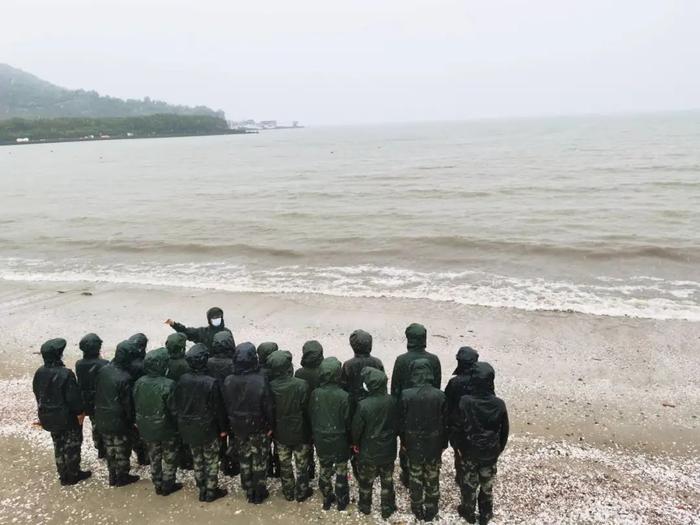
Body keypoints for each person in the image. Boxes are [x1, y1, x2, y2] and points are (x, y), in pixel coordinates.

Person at [454, 362, 509, 525]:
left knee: (469, 484)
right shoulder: (499, 404)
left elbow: (458, 427)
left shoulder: (465, 401)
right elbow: (504, 431)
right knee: (487, 485)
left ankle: (468, 512)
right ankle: (485, 514)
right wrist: (498, 449)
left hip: (470, 450)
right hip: (490, 450)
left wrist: (459, 448)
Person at [32, 338, 91, 485]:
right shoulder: (65, 373)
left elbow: (37, 392)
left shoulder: (39, 372)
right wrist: (80, 413)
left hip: (49, 416)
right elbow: (73, 397)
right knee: (72, 445)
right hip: (67, 417)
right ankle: (72, 474)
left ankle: (62, 472)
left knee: (58, 444)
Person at [221, 342, 274, 504]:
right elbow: (268, 406)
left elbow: (226, 404)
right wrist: (271, 426)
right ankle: (260, 491)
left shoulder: (229, 380)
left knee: (244, 458)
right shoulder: (260, 380)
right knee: (259, 459)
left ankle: (249, 489)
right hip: (258, 427)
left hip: (238, 427)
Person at [175, 343, 229, 502]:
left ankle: (202, 489)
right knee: (211, 460)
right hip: (207, 427)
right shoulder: (211, 382)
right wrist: (223, 429)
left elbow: (178, 404)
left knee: (197, 459)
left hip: (190, 427)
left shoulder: (183, 379)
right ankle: (211, 490)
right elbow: (218, 409)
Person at [391, 323, 442, 486]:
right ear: (424, 339)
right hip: (429, 405)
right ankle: (429, 472)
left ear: (409, 339)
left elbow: (395, 389)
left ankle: (408, 475)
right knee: (430, 438)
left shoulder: (401, 360)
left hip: (407, 408)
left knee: (407, 441)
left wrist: (397, 412)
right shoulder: (433, 360)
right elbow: (437, 385)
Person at [399, 359, 448, 521]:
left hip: (413, 442)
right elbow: (445, 422)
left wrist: (404, 442)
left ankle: (417, 506)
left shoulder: (406, 394)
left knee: (415, 476)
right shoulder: (439, 395)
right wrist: (443, 443)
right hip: (434, 442)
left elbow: (402, 422)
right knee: (432, 476)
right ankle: (431, 507)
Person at [133, 347, 182, 496]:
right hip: (166, 428)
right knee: (169, 456)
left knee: (154, 455)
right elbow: (174, 409)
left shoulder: (139, 382)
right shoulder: (169, 384)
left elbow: (136, 402)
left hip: (147, 427)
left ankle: (157, 482)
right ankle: (168, 483)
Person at [351, 367, 398, 520]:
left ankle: (365, 506)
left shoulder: (364, 405)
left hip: (369, 449)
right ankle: (387, 507)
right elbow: (397, 424)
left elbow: (357, 428)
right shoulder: (392, 400)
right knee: (387, 480)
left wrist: (355, 443)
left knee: (365, 481)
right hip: (388, 448)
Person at [268, 350, 313, 502]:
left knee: (285, 464)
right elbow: (307, 410)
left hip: (281, 433)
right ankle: (302, 492)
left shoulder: (271, 386)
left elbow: (270, 411)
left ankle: (288, 492)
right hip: (300, 431)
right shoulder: (301, 385)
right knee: (302, 464)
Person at [94, 340, 140, 486]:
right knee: (121, 448)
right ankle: (122, 476)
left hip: (102, 414)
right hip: (118, 417)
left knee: (109, 447)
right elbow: (127, 403)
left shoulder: (103, 370)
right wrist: (132, 419)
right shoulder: (125, 377)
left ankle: (112, 474)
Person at [308, 357, 351, 511]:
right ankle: (341, 499)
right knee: (341, 470)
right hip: (339, 437)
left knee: (324, 468)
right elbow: (347, 420)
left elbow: (312, 414)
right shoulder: (344, 396)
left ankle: (327, 497)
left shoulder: (315, 394)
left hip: (322, 437)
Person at [445, 346, 479, 484]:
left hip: (458, 424)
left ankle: (460, 476)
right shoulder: (481, 380)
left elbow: (447, 403)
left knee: (459, 452)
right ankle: (474, 475)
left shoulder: (454, 383)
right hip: (477, 423)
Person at [206, 331, 239, 477]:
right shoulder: (234, 363)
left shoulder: (209, 362)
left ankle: (223, 461)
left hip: (214, 402)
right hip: (231, 402)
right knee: (233, 434)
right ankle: (233, 463)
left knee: (220, 434)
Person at [75, 332, 109, 459]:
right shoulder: (104, 364)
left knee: (95, 424)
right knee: (103, 425)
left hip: (87, 400)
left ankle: (99, 448)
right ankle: (105, 447)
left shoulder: (79, 364)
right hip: (101, 399)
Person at [294, 339, 324, 480]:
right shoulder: (324, 371)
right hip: (319, 413)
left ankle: (309, 469)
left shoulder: (300, 373)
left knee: (306, 444)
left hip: (304, 413)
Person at [164, 332, 192, 470]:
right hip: (183, 402)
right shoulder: (186, 364)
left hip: (168, 401)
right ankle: (186, 460)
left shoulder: (164, 361)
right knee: (184, 434)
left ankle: (179, 459)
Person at [340, 329, 384, 407]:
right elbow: (382, 383)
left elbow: (344, 387)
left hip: (353, 403)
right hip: (373, 404)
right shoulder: (377, 362)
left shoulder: (348, 365)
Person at [256, 341, 279, 477]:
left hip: (262, 413)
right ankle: (279, 470)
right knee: (278, 443)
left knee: (265, 445)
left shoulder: (257, 371)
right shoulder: (276, 371)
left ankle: (269, 468)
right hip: (276, 412)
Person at [127, 333, 150, 466]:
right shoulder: (142, 364)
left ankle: (140, 454)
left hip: (129, 399)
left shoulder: (127, 360)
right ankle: (144, 456)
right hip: (140, 400)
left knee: (134, 430)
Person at [165, 306, 233, 351]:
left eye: (218, 317)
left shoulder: (227, 333)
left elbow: (233, 349)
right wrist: (174, 325)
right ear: (209, 319)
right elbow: (186, 332)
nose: (217, 319)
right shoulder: (203, 332)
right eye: (214, 317)